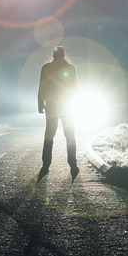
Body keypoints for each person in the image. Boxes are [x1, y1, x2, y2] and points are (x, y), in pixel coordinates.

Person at [37, 46, 80, 182]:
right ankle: (73, 165)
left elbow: (41, 86)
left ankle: (46, 165)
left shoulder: (46, 68)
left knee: (49, 135)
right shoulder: (71, 68)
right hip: (67, 106)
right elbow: (75, 88)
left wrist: (40, 104)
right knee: (70, 136)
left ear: (53, 55)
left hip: (51, 106)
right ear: (64, 55)